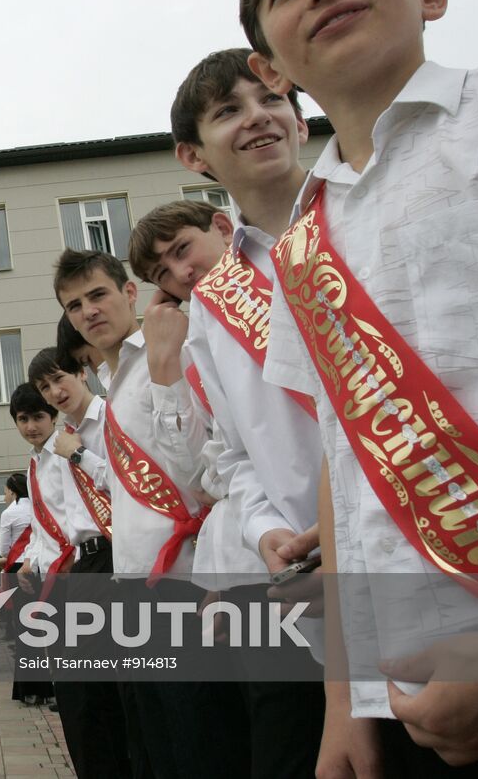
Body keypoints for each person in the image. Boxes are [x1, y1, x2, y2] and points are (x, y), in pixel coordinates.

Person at [241, 0, 478, 773]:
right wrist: (346, 697)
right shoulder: (304, 244)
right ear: (271, 66)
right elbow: (348, 463)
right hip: (409, 696)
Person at [129, 196, 328, 779]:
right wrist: (166, 364)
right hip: (271, 555)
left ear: (223, 226)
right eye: (161, 273)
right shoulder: (196, 342)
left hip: (362, 526)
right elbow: (215, 468)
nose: (179, 273)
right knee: (277, 735)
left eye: (182, 251)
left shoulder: (295, 273)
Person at [55, 248, 247, 779]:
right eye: (74, 305)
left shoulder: (171, 349)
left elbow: (199, 471)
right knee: (152, 745)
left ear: (129, 293)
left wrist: (164, 367)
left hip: (180, 580)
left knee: (199, 744)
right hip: (134, 586)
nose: (88, 312)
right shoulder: (113, 387)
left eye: (98, 295)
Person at [18, 361, 131, 779]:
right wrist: (32, 559)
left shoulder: (77, 440)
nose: (31, 425)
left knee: (105, 689)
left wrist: (79, 454)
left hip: (101, 563)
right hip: (73, 573)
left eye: (38, 415)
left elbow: (121, 486)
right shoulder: (37, 463)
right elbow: (47, 525)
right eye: (23, 418)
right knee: (78, 692)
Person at [0, 464, 53, 708]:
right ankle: (51, 688)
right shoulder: (40, 507)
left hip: (17, 570)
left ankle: (30, 690)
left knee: (25, 630)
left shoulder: (9, 513)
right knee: (47, 629)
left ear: (13, 491)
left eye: (6, 491)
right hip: (40, 570)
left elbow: (3, 549)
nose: (5, 496)